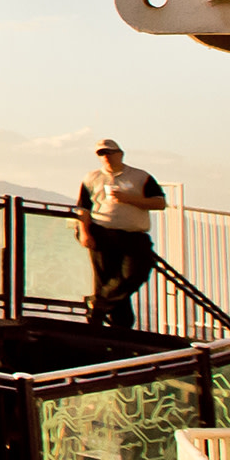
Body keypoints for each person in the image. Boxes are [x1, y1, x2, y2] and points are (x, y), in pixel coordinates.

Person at [75, 138, 168, 330]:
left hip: (133, 234)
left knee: (135, 273)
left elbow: (159, 202)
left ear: (120, 153)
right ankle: (119, 325)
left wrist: (130, 199)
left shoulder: (140, 177)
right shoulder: (91, 178)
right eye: (101, 153)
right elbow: (83, 209)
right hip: (102, 232)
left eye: (109, 152)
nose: (106, 156)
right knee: (107, 279)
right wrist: (84, 233)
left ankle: (98, 305)